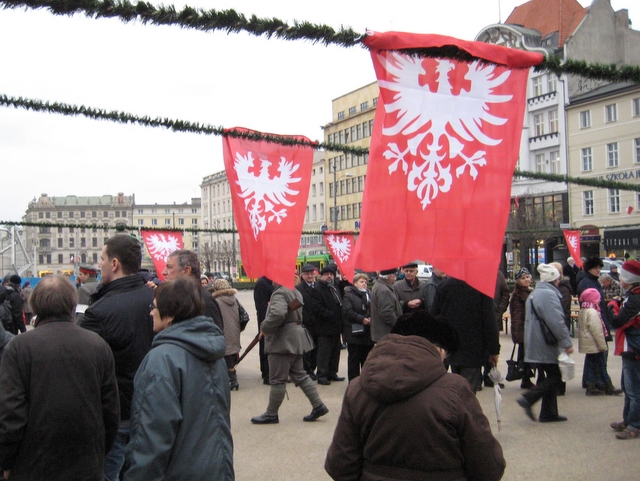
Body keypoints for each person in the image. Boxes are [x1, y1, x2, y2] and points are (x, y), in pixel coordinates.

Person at [325, 310, 506, 481]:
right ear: (440, 350)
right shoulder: (455, 390)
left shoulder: (358, 388)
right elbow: (489, 467)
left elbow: (340, 466)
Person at [0, 275, 119, 481]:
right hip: (85, 463)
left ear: (35, 304)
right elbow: (110, 411)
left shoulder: (20, 348)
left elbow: (11, 413)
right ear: (72, 304)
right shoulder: (98, 345)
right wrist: (99, 453)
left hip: (32, 465)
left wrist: (6, 462)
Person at [124, 277, 234, 479]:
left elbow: (152, 438)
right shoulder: (214, 353)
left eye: (154, 306)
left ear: (170, 315)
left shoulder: (161, 360)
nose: (151, 312)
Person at [79, 235, 155, 481]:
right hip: (151, 407)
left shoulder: (99, 312)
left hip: (116, 413)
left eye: (101, 259)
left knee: (110, 473)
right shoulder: (157, 301)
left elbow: (85, 369)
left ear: (114, 264)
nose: (98, 265)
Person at [251, 280, 328, 424]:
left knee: (277, 379)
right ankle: (318, 405)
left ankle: (271, 414)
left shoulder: (280, 292)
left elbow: (277, 314)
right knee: (300, 375)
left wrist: (265, 328)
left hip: (282, 341)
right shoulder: (294, 290)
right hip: (295, 338)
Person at [517, 264, 573, 423]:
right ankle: (529, 398)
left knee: (547, 375)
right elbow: (556, 322)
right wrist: (566, 342)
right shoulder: (548, 295)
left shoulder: (535, 294)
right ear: (554, 280)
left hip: (536, 342)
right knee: (556, 375)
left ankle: (548, 412)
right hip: (546, 344)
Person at [430, 275, 500, 393]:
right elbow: (489, 320)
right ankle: (463, 410)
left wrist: (436, 343)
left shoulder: (444, 286)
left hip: (451, 345)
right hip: (474, 347)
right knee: (468, 391)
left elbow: (434, 316)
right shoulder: (481, 287)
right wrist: (493, 350)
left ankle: (457, 409)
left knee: (457, 384)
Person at [608, 259, 640, 439]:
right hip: (631, 348)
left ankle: (635, 424)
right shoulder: (633, 296)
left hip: (634, 349)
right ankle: (628, 420)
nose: (619, 280)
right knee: (629, 388)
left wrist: (613, 306)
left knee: (634, 390)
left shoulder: (635, 299)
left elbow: (618, 321)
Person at [162, 249, 224, 330]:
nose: (164, 272)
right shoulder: (181, 297)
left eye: (169, 267)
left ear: (187, 270)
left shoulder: (204, 301)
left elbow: (212, 338)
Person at [579, 288, 622, 396]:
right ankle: (608, 386)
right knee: (601, 365)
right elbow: (597, 331)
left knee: (591, 364)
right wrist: (602, 345)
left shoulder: (584, 309)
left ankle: (590, 386)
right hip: (595, 343)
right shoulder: (593, 312)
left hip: (588, 343)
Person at [309, 266, 344, 385]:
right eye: (327, 274)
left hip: (336, 326)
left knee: (335, 351)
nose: (329, 276)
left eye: (331, 274)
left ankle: (332, 372)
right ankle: (322, 375)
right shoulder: (317, 288)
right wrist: (330, 315)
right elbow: (316, 307)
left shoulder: (333, 287)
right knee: (324, 352)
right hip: (324, 326)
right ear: (321, 275)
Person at [211, 278, 244, 391]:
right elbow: (243, 316)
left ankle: (230, 381)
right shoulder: (234, 300)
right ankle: (233, 380)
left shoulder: (216, 302)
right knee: (231, 356)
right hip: (234, 331)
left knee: (224, 357)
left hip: (223, 331)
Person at [342, 273, 374, 381]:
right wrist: (362, 319)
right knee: (354, 360)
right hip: (354, 333)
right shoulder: (348, 295)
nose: (364, 284)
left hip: (367, 333)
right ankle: (353, 382)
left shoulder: (369, 294)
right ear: (355, 283)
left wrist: (371, 318)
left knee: (367, 359)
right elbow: (348, 311)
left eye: (365, 282)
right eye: (361, 282)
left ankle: (365, 381)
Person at [509, 268, 535, 389]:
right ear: (518, 281)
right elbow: (517, 315)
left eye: (527, 277)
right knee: (524, 356)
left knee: (529, 355)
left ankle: (528, 377)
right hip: (524, 330)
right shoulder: (517, 295)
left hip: (531, 329)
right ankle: (525, 378)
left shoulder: (531, 291)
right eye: (523, 278)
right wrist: (518, 334)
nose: (526, 280)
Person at [296, 264, 320, 379]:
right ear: (303, 275)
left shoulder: (318, 286)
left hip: (318, 323)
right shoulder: (299, 289)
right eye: (307, 274)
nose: (310, 276)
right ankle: (307, 371)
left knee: (316, 348)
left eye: (312, 273)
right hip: (305, 323)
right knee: (307, 350)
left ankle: (313, 368)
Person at [370, 268, 402, 343]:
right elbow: (386, 312)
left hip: (382, 333)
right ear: (390, 276)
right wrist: (397, 325)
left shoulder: (379, 285)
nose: (395, 278)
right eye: (394, 275)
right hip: (386, 333)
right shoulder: (384, 290)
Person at [254, 276, 275, 384]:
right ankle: (267, 374)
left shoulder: (273, 281)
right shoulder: (262, 283)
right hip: (266, 321)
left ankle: (273, 373)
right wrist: (266, 324)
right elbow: (261, 307)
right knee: (266, 348)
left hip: (274, 321)